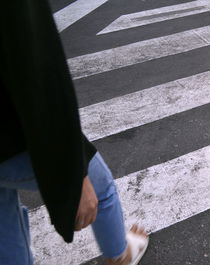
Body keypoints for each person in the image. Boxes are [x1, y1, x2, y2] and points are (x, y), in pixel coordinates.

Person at [0, 1, 148, 265]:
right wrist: (74, 170)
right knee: (99, 185)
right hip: (10, 135)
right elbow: (39, 66)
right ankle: (120, 255)